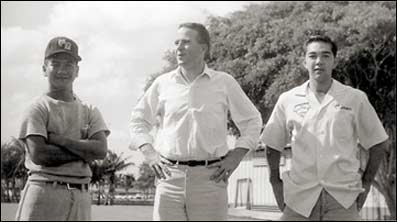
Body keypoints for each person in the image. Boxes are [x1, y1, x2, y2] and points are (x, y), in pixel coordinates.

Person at [129, 22, 262, 221]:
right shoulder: (162, 84)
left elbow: (252, 121)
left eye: (186, 42)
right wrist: (149, 153)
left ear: (203, 48)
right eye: (176, 42)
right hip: (169, 178)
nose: (178, 48)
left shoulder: (224, 82)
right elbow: (138, 120)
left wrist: (236, 157)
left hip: (211, 179)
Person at [260, 35, 389, 221]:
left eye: (325, 55)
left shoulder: (355, 98)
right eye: (312, 56)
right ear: (304, 62)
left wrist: (367, 182)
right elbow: (272, 145)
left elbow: (378, 143)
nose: (319, 61)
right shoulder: (288, 100)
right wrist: (275, 183)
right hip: (300, 200)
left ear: (334, 61)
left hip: (343, 199)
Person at [15, 36, 110, 221]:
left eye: (68, 65)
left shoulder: (89, 110)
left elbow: (100, 150)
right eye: (55, 64)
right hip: (44, 190)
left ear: (77, 71)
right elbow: (40, 155)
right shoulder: (38, 107)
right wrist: (85, 151)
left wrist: (62, 141)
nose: (61, 70)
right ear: (44, 69)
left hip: (81, 195)